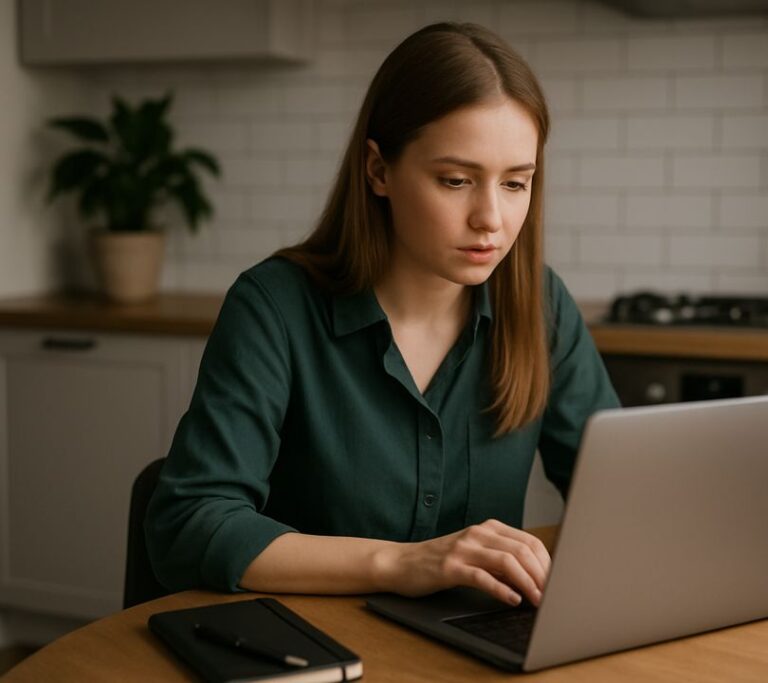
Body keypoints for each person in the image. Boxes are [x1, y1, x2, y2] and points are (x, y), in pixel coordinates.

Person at [145, 22, 619, 610]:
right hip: (310, 651)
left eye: (517, 183)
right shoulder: (274, 307)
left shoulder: (539, 303)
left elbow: (620, 501)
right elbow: (187, 524)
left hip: (475, 653)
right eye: (456, 180)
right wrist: (400, 563)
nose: (490, 218)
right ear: (378, 171)